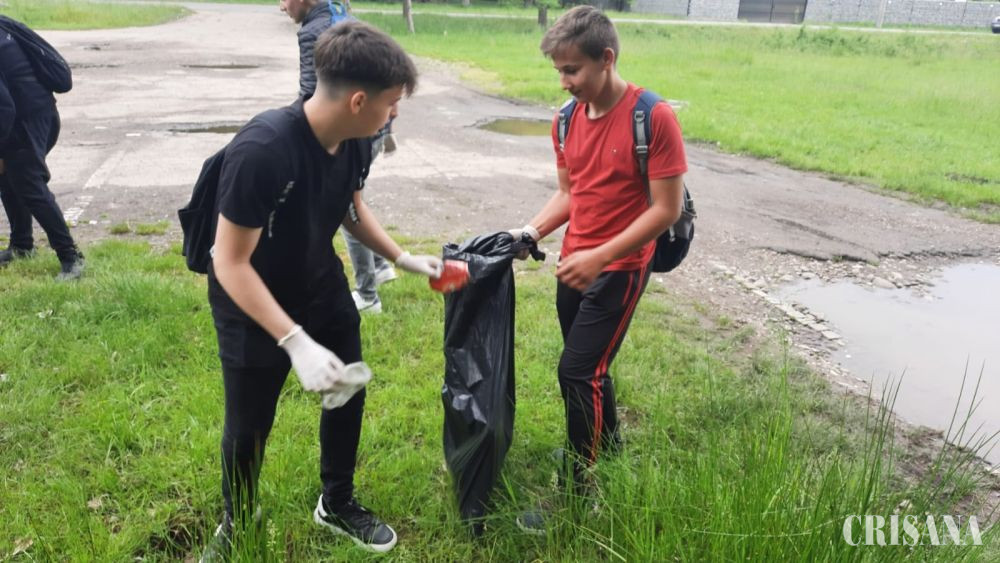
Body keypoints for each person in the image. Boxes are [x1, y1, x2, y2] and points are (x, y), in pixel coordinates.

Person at [200, 21, 441, 559]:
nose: (394, 114)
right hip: (251, 300)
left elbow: (350, 207)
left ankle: (336, 501)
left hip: (319, 283)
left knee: (348, 389)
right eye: (392, 103)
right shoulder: (263, 149)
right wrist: (293, 341)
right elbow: (229, 261)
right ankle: (237, 520)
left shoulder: (355, 140)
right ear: (358, 101)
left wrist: (401, 257)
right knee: (249, 422)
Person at [509, 5, 687, 509]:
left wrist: (601, 257)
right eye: (559, 71)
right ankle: (607, 448)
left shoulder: (652, 117)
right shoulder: (566, 121)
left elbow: (666, 209)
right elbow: (571, 193)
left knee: (576, 372)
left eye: (572, 70)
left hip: (621, 269)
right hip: (575, 263)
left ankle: (576, 489)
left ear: (606, 58)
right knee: (591, 368)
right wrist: (531, 230)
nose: (564, 82)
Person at [281, 0, 397, 314]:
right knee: (354, 204)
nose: (281, 7)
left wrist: (293, 134)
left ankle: (368, 295)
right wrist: (387, 132)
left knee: (347, 210)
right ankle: (380, 265)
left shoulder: (313, 32)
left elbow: (310, 95)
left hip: (352, 136)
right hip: (370, 132)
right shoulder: (344, 16)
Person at [0, 20, 84, 280]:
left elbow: (4, 108)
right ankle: (22, 246)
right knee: (9, 178)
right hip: (37, 114)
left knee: (29, 184)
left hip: (24, 122)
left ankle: (71, 257)